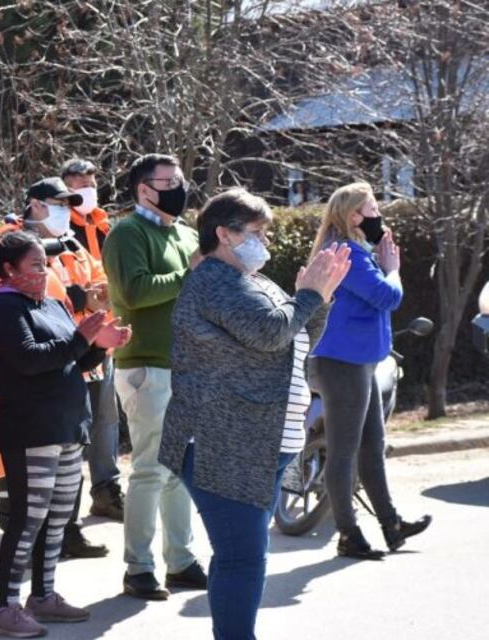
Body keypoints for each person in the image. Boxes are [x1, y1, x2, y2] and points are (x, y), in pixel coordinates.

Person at [157, 188, 350, 640]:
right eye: (257, 232)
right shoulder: (215, 282)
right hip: (221, 443)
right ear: (223, 234)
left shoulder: (254, 281)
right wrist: (308, 296)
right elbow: (269, 332)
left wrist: (318, 299)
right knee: (241, 556)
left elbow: (295, 340)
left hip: (259, 441)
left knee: (243, 553)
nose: (264, 241)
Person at [0, 231, 131, 638]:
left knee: (58, 517)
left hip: (67, 425)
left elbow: (73, 361)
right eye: (34, 265)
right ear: (9, 270)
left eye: (45, 264)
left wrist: (101, 347)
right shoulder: (4, 309)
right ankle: (6, 605)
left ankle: (43, 595)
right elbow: (30, 361)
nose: (43, 271)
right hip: (31, 428)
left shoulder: (51, 303)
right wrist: (82, 338)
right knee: (27, 518)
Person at [101, 153, 206, 600]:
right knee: (149, 469)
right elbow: (135, 291)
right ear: (144, 189)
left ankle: (180, 561)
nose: (179, 188)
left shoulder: (184, 232)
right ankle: (138, 568)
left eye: (181, 179)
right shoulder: (127, 232)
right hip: (146, 366)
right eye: (169, 181)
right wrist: (189, 273)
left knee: (179, 470)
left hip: (185, 367)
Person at [309, 182, 432, 560]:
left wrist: (382, 262)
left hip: (358, 362)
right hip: (341, 364)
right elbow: (386, 297)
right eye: (372, 208)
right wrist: (392, 269)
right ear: (353, 215)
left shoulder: (357, 250)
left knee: (371, 448)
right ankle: (348, 534)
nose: (379, 214)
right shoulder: (345, 251)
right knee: (344, 453)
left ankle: (391, 526)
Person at [22, 176, 114, 557]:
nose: (65, 211)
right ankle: (31, 540)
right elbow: (31, 291)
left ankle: (68, 530)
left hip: (83, 354)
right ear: (35, 204)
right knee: (35, 459)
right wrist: (81, 297)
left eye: (67, 204)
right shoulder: (13, 240)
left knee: (74, 446)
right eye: (58, 203)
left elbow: (101, 282)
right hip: (40, 360)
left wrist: (96, 299)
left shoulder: (73, 244)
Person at [61, 159, 125, 522]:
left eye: (90, 183)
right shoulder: (57, 229)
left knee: (105, 416)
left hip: (104, 334)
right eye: (77, 183)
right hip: (70, 336)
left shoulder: (103, 226)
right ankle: (66, 507)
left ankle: (106, 488)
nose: (85, 189)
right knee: (73, 420)